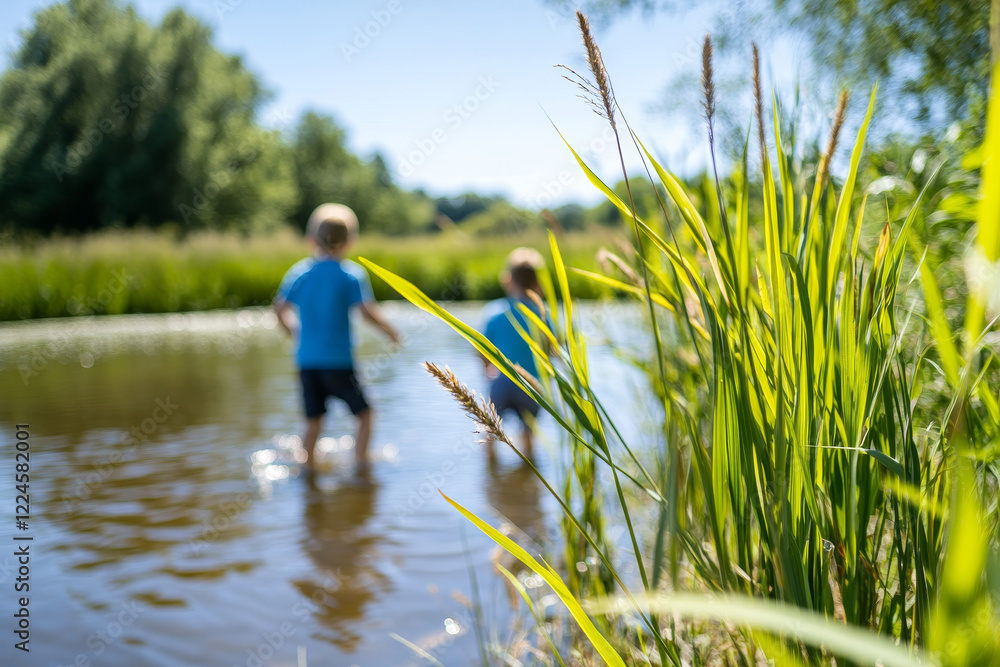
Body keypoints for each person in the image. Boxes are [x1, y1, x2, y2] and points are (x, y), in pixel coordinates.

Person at [274, 203, 399, 475]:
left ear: (312, 240)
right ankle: (361, 463)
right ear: (349, 242)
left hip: (307, 362)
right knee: (365, 415)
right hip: (339, 363)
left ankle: (307, 471)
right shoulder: (350, 274)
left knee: (312, 421)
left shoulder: (300, 273)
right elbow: (367, 313)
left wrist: (294, 332)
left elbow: (279, 308)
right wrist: (390, 331)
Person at [479, 247, 546, 461]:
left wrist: (486, 369)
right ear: (538, 283)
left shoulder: (495, 311)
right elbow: (551, 349)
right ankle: (529, 469)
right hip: (531, 385)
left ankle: (491, 470)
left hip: (501, 381)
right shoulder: (542, 314)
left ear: (507, 279)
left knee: (489, 430)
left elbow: (481, 348)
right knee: (528, 433)